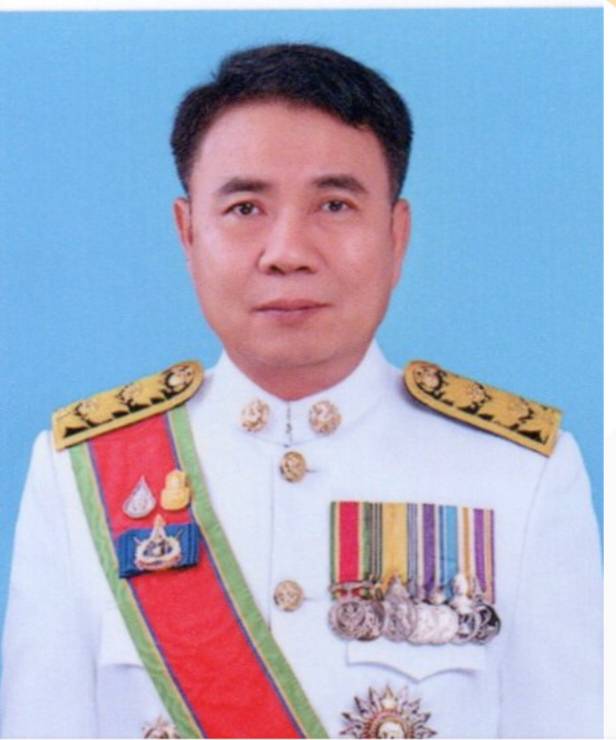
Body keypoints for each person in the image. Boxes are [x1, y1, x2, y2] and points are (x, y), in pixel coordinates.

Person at [0, 43, 602, 739]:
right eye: (245, 208)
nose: (287, 251)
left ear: (396, 235)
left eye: (335, 205)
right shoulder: (77, 472)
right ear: (187, 233)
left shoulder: (521, 475)